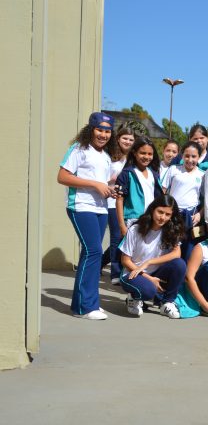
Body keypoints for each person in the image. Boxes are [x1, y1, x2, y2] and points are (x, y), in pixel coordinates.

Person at [58, 112, 116, 319]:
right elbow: (62, 176)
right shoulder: (79, 149)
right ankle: (84, 307)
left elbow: (101, 183)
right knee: (93, 252)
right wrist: (95, 184)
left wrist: (110, 188)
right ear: (91, 129)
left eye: (108, 131)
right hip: (80, 207)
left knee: (91, 254)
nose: (103, 134)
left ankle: (85, 303)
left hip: (100, 208)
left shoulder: (106, 156)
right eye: (100, 130)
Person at [119, 195, 187, 318]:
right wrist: (148, 278)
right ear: (152, 209)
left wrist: (149, 262)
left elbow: (177, 253)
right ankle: (133, 298)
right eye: (160, 212)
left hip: (155, 272)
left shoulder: (171, 229)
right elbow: (125, 260)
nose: (163, 217)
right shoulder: (135, 229)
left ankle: (167, 303)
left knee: (179, 264)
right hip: (132, 273)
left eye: (167, 214)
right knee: (148, 290)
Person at [101, 125, 134, 285]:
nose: (127, 141)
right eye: (124, 138)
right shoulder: (109, 156)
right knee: (116, 236)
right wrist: (111, 181)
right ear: (118, 139)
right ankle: (115, 273)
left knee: (122, 238)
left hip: (127, 203)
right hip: (111, 201)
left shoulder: (133, 158)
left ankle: (101, 262)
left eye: (131, 139)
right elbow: (100, 179)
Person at [162, 142, 204, 260]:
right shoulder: (173, 169)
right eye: (187, 156)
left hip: (191, 217)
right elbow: (163, 191)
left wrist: (199, 215)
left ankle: (185, 275)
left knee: (188, 249)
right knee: (170, 246)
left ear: (199, 157)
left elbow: (207, 199)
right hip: (173, 215)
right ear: (182, 156)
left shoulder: (202, 175)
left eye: (194, 156)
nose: (190, 159)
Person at [115, 136, 163, 238]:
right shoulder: (126, 174)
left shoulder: (154, 174)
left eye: (150, 154)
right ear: (134, 153)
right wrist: (122, 226)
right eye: (143, 153)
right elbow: (119, 200)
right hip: (133, 221)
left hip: (151, 221)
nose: (146, 157)